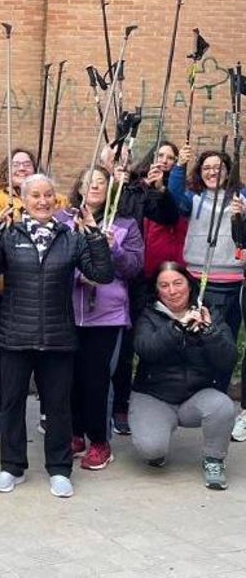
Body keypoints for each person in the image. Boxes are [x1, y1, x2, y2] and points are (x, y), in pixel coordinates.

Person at [0, 173, 114, 499]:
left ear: (56, 199)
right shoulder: (10, 235)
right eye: (35, 195)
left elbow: (102, 274)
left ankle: (60, 469)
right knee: (10, 405)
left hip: (58, 337)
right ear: (23, 200)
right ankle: (11, 466)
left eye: (48, 195)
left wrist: (92, 234)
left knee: (58, 407)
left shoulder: (70, 237)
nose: (42, 201)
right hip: (14, 336)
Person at [60, 167, 143, 470]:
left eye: (100, 182)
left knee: (96, 380)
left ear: (110, 189)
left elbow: (134, 268)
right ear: (79, 187)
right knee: (68, 379)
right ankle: (74, 434)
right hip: (67, 312)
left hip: (106, 316)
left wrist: (114, 249)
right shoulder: (63, 221)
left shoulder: (124, 225)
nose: (94, 187)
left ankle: (100, 441)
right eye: (88, 182)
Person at [129, 263, 236, 490]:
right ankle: (158, 437)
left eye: (178, 283)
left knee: (223, 406)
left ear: (189, 286)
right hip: (154, 395)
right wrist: (177, 328)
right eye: (164, 285)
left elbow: (227, 360)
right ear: (157, 290)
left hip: (195, 396)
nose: (172, 290)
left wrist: (209, 332)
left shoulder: (210, 312)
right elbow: (146, 349)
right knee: (152, 450)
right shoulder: (148, 314)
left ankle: (214, 460)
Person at [0, 147, 49, 440]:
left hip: (40, 288)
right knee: (4, 353)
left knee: (45, 350)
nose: (21, 168)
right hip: (3, 288)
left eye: (27, 163)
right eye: (16, 164)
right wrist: (29, 218)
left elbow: (59, 215)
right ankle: (0, 411)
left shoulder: (48, 195)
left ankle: (47, 410)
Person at [110, 141, 180, 435]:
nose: (163, 161)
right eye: (159, 155)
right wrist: (118, 185)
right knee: (112, 347)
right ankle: (110, 404)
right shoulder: (123, 184)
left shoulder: (148, 190)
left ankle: (128, 404)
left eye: (169, 157)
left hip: (141, 278)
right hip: (112, 273)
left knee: (135, 344)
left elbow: (168, 216)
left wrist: (159, 190)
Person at [167, 145, 244, 392]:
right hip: (199, 279)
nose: (212, 172)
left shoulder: (241, 197)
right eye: (206, 168)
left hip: (233, 280)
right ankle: (194, 390)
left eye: (218, 168)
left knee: (225, 341)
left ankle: (218, 391)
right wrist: (179, 166)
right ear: (200, 172)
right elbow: (173, 199)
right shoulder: (194, 197)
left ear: (229, 171)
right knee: (195, 339)